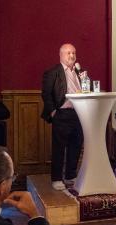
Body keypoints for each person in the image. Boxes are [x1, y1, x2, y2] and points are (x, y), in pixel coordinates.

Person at [41, 43, 84, 190]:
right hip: (62, 114)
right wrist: (53, 112)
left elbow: (85, 89)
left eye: (73, 53)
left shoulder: (79, 71)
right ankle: (57, 178)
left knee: (76, 145)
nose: (72, 56)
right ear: (61, 55)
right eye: (68, 53)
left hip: (79, 114)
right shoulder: (53, 72)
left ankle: (70, 176)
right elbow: (46, 94)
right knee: (59, 148)